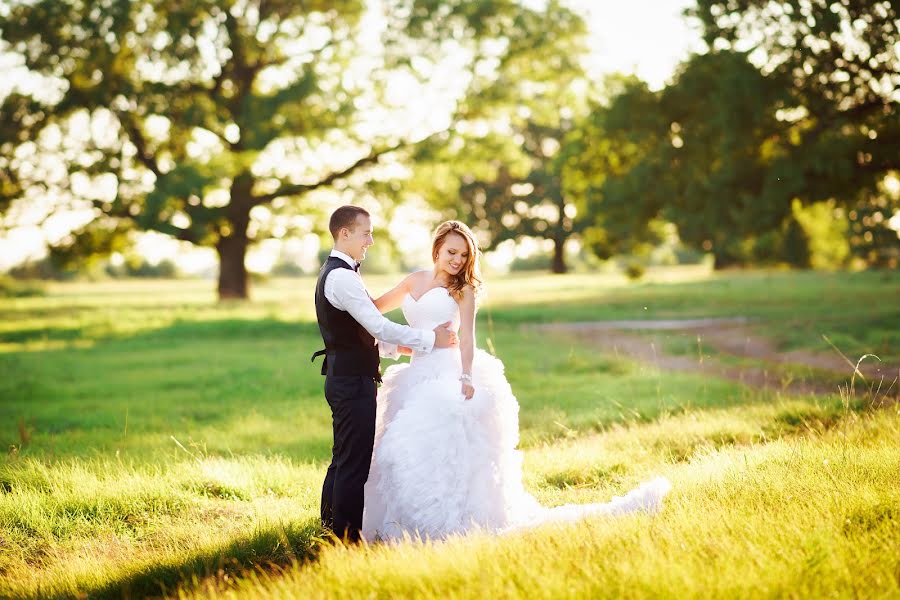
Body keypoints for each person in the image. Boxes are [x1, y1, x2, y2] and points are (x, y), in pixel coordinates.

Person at [362, 220, 671, 541]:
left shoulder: (463, 290)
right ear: (437, 249)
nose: (457, 260)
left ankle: (447, 525)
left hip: (446, 375)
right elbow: (375, 310)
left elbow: (467, 338)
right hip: (415, 377)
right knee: (401, 452)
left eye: (464, 255)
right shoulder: (414, 280)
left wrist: (466, 376)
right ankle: (401, 526)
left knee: (440, 451)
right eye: (452, 252)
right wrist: (356, 298)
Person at [312, 205, 459, 542]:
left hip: (347, 377)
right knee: (353, 464)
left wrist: (400, 350)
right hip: (351, 383)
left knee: (344, 459)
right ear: (344, 233)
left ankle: (329, 531)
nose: (371, 240)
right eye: (366, 233)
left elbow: (358, 334)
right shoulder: (341, 276)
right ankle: (346, 540)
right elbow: (377, 324)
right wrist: (429, 339)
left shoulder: (342, 273)